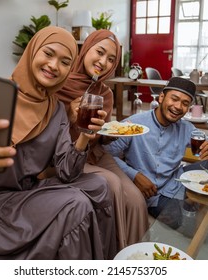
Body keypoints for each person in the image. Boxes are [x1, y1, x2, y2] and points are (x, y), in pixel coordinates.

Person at [0, 26, 117, 260]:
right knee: (75, 203)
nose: (53, 65)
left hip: (25, 193)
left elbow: (67, 172)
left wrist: (83, 137)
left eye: (64, 62)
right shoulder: (2, 96)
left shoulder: (56, 108)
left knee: (99, 185)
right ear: (32, 52)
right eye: (48, 54)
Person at [104, 77, 208, 218]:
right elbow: (106, 155)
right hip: (153, 195)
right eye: (175, 99)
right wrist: (134, 175)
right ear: (161, 97)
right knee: (189, 223)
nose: (178, 107)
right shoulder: (134, 124)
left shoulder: (186, 127)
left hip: (178, 180)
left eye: (185, 103)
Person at [55, 29, 148, 249]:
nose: (103, 62)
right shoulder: (58, 81)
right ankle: (114, 253)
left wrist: (110, 132)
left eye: (111, 59)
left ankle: (137, 257)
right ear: (86, 48)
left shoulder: (104, 93)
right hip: (65, 156)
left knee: (135, 200)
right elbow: (47, 131)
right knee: (113, 184)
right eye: (100, 52)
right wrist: (69, 115)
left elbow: (100, 137)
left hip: (94, 154)